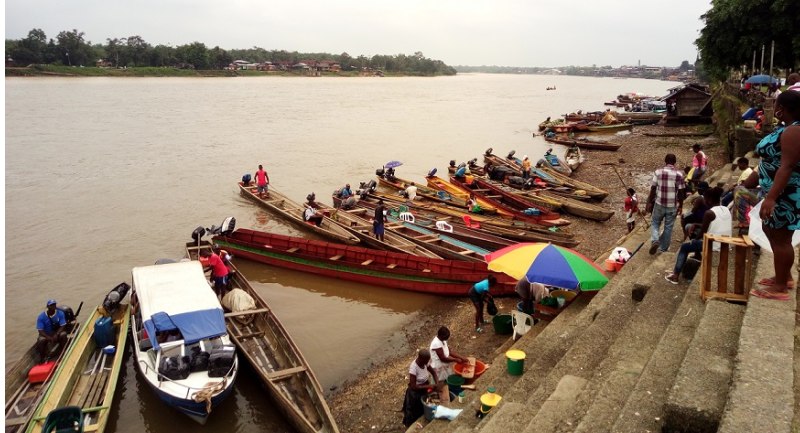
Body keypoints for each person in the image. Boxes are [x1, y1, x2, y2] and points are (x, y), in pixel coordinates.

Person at [749, 91, 800, 300]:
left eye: (777, 104)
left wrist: (771, 197)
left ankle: (780, 287)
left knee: (781, 238)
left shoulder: (794, 131)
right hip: (777, 191)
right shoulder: (786, 129)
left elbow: (786, 166)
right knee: (770, 228)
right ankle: (783, 276)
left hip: (785, 194)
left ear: (782, 108)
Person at [665, 187, 732, 284]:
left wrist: (693, 240)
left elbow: (702, 233)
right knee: (693, 233)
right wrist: (696, 225)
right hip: (725, 243)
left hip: (714, 245)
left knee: (685, 247)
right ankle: (696, 255)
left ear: (709, 200)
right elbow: (712, 224)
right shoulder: (726, 209)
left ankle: (675, 275)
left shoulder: (709, 213)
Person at [646, 154, 687, 254]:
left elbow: (653, 188)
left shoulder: (658, 172)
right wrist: (681, 206)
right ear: (674, 162)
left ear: (665, 161)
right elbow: (681, 192)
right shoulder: (679, 174)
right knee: (668, 227)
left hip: (659, 203)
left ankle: (655, 240)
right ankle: (663, 248)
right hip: (672, 205)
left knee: (655, 223)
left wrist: (649, 202)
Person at [401, 349, 438, 427]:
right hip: (415, 392)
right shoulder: (413, 368)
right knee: (413, 411)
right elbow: (413, 386)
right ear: (420, 358)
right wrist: (429, 386)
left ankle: (422, 417)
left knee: (423, 406)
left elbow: (434, 372)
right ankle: (410, 425)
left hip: (424, 388)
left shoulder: (425, 363)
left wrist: (437, 383)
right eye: (426, 360)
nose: (427, 362)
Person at [429, 327, 466, 403]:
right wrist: (455, 360)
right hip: (438, 367)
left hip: (444, 366)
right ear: (441, 335)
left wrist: (461, 357)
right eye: (446, 337)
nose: (447, 338)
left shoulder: (443, 341)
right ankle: (438, 397)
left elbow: (449, 352)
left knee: (445, 381)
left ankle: (445, 393)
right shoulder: (436, 343)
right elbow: (443, 358)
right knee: (439, 383)